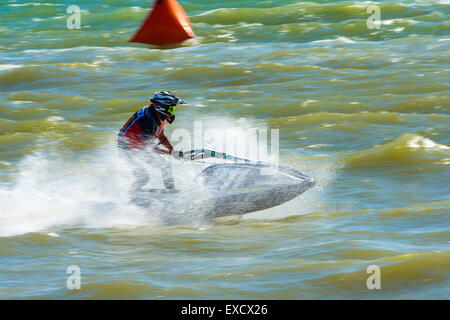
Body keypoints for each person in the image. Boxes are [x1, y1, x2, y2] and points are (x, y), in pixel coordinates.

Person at [118, 91, 185, 193]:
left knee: (165, 166)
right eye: (171, 108)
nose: (173, 111)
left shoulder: (156, 114)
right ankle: (130, 196)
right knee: (143, 177)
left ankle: (171, 192)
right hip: (127, 148)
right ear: (161, 107)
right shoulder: (148, 120)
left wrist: (172, 150)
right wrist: (170, 153)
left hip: (140, 145)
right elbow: (150, 148)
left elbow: (161, 137)